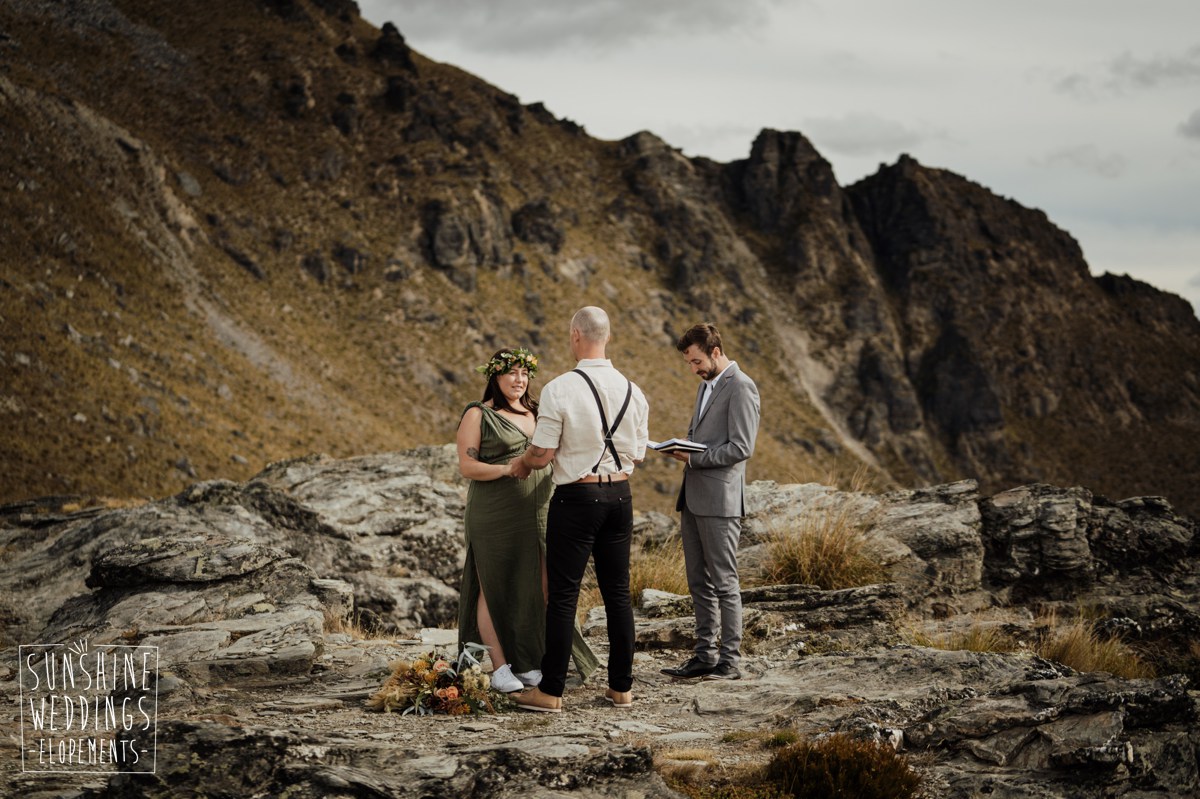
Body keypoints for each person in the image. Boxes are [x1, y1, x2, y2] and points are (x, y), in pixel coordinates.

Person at [509, 307, 649, 712]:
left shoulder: (560, 388)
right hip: (620, 497)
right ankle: (621, 687)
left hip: (577, 499)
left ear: (575, 335)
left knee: (565, 595)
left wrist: (523, 463)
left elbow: (542, 453)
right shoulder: (633, 390)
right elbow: (637, 455)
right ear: (607, 336)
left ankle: (550, 691)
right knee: (618, 594)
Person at [455, 347, 599, 694]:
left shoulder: (538, 410)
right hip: (494, 512)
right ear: (496, 376)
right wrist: (508, 468)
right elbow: (466, 466)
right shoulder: (479, 414)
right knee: (493, 586)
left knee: (541, 585)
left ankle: (531, 661)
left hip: (539, 510)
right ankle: (500, 666)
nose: (519, 380)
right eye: (511, 373)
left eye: (524, 374)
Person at [661, 323, 760, 682]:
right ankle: (704, 655)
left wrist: (694, 459)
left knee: (724, 582)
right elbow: (703, 436)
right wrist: (683, 446)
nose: (694, 369)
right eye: (689, 363)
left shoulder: (742, 387)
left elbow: (741, 447)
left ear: (716, 352)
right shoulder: (707, 386)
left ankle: (730, 661)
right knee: (697, 582)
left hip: (720, 501)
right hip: (693, 498)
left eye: (697, 361)